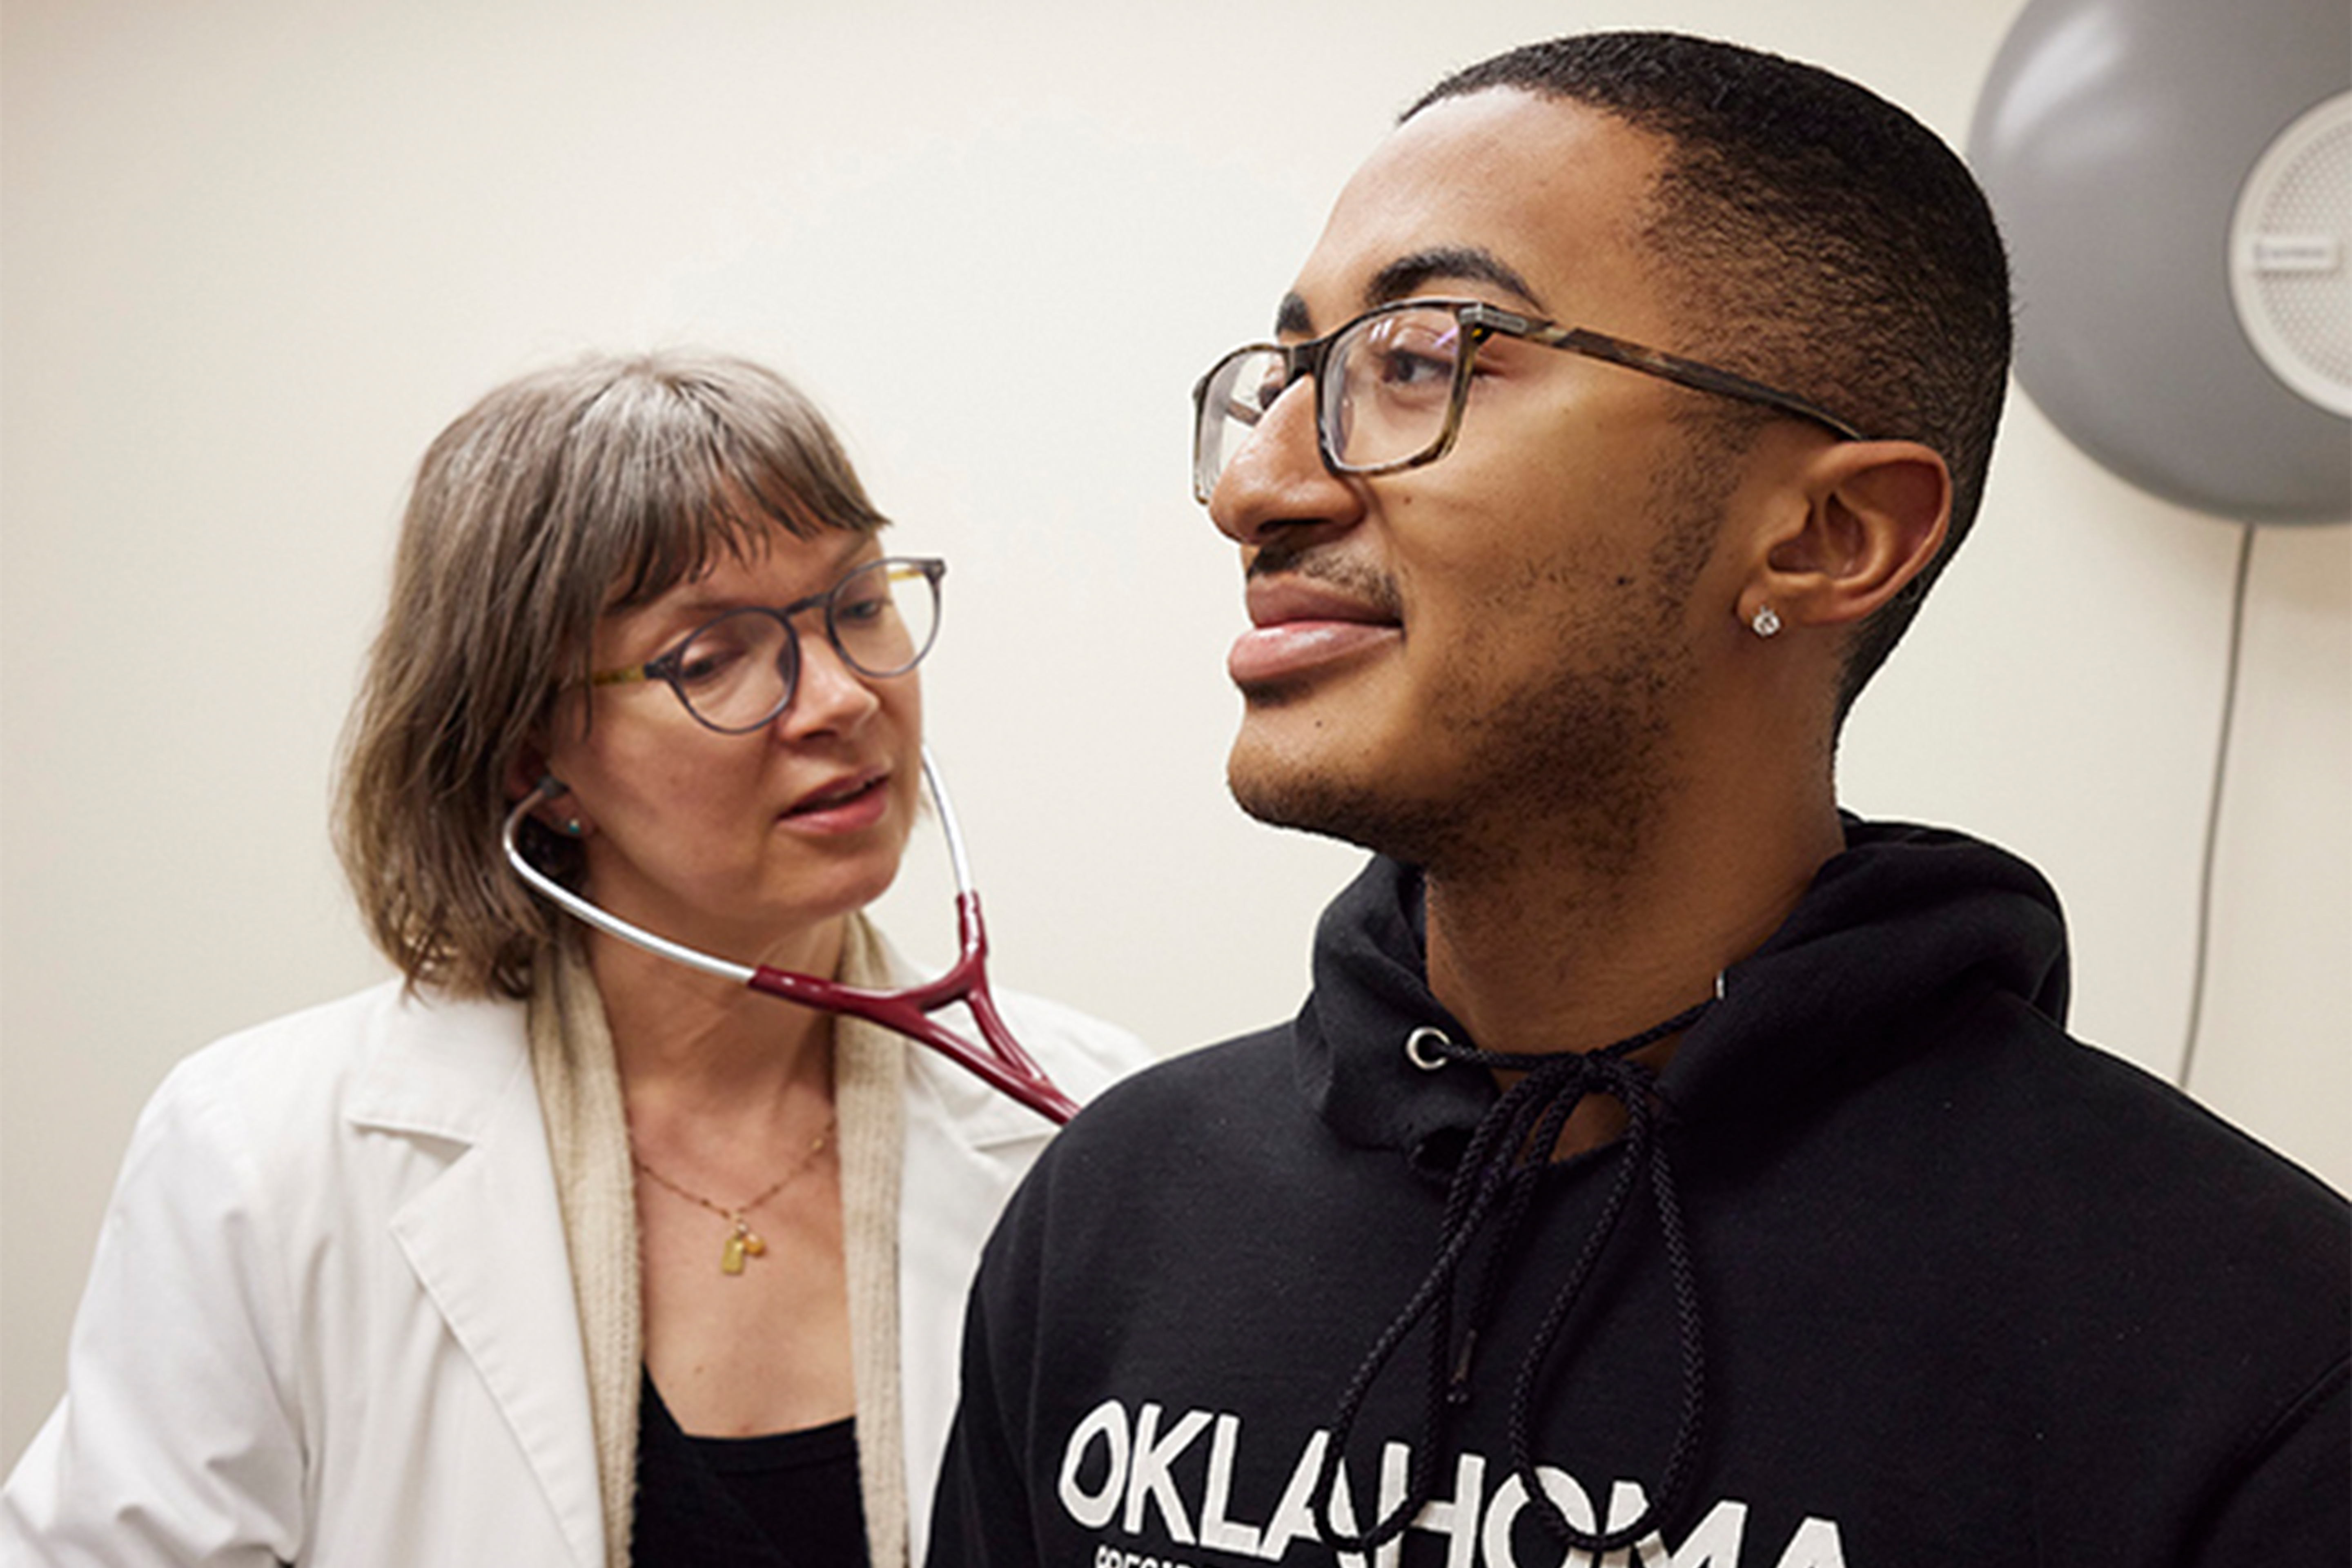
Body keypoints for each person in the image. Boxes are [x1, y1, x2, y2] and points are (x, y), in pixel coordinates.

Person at [928, 32, 2349, 1566]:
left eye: (1421, 359)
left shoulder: (2241, 1353)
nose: (1255, 488)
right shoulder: (1116, 1216)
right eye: (1283, 381)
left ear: (1827, 535)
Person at [1, 350, 1152, 1566]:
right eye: (713, 658)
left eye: (860, 604)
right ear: (530, 759)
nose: (839, 700)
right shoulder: (266, 1160)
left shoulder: (1093, 1132)